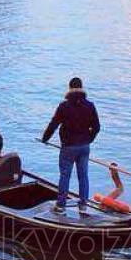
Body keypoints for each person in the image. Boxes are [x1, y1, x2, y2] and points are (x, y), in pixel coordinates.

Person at [41, 77, 101, 214]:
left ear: (69, 89)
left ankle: (61, 205)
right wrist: (89, 139)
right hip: (84, 147)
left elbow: (53, 124)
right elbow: (97, 127)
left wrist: (45, 138)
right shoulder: (90, 106)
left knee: (65, 175)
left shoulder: (64, 106)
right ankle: (83, 205)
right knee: (83, 176)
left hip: (68, 147)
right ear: (82, 88)